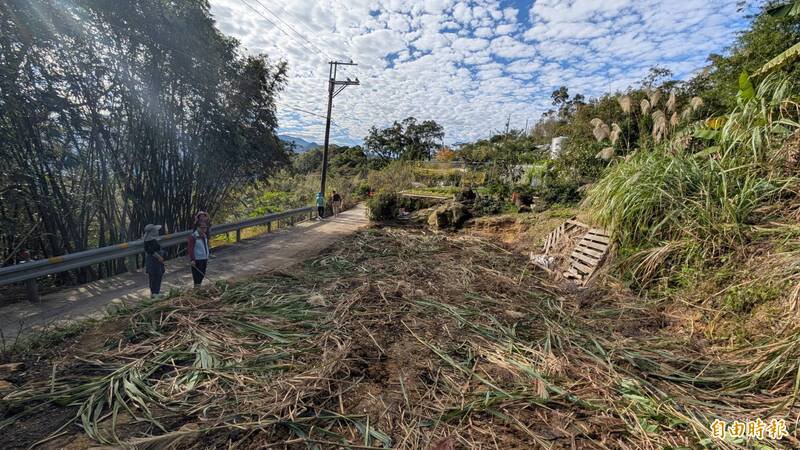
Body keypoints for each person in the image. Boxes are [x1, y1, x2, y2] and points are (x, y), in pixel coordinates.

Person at [143, 224, 165, 298]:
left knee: (159, 275)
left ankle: (156, 292)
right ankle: (154, 293)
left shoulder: (153, 239)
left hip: (156, 260)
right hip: (153, 261)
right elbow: (151, 251)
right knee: (154, 276)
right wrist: (159, 257)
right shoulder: (148, 241)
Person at [188, 222, 210, 287]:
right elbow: (190, 249)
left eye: (205, 228)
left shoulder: (204, 235)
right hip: (197, 259)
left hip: (204, 258)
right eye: (202, 228)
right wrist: (192, 259)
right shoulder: (193, 236)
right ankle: (196, 287)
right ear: (198, 228)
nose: (204, 229)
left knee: (203, 273)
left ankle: (198, 286)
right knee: (197, 275)